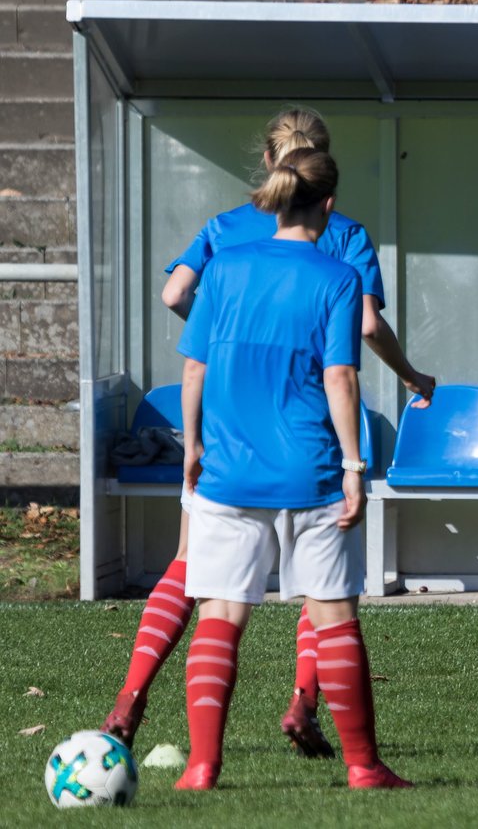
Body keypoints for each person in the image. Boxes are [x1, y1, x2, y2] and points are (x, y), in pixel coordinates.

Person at [103, 107, 434, 758]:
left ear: (267, 163)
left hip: (226, 430)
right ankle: (307, 704)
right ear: (326, 177)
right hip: (307, 437)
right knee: (325, 590)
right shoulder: (341, 238)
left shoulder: (228, 231)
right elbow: (365, 330)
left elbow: (174, 296)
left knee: (195, 572)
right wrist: (412, 376)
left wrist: (223, 347)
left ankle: (133, 701)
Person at [174, 147, 409, 790]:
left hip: (228, 474)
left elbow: (193, 367)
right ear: (329, 206)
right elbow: (340, 375)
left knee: (222, 613)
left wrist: (192, 445)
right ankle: (363, 767)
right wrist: (356, 466)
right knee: (333, 616)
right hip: (312, 475)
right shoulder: (336, 277)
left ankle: (201, 767)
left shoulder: (223, 268)